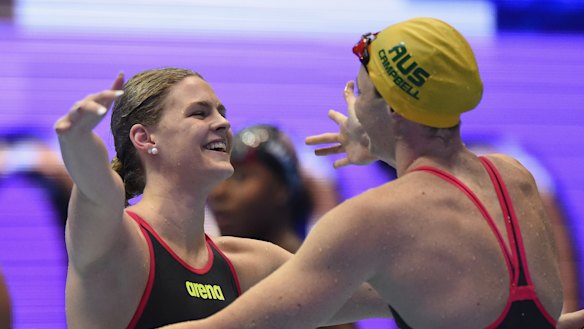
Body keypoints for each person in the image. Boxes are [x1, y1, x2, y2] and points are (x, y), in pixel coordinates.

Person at [159, 18, 583, 329]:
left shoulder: (373, 219)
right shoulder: (513, 179)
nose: (353, 105)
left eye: (359, 92)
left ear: (393, 110)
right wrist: (385, 146)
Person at [54, 68, 385, 329]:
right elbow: (96, 187)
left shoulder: (249, 263)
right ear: (145, 137)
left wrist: (387, 148)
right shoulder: (115, 242)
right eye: (200, 113)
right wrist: (77, 138)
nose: (224, 123)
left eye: (221, 112)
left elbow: (395, 292)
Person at [208, 124, 357, 329]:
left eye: (241, 177)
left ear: (282, 188)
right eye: (219, 178)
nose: (218, 193)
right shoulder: (209, 269)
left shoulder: (317, 279)